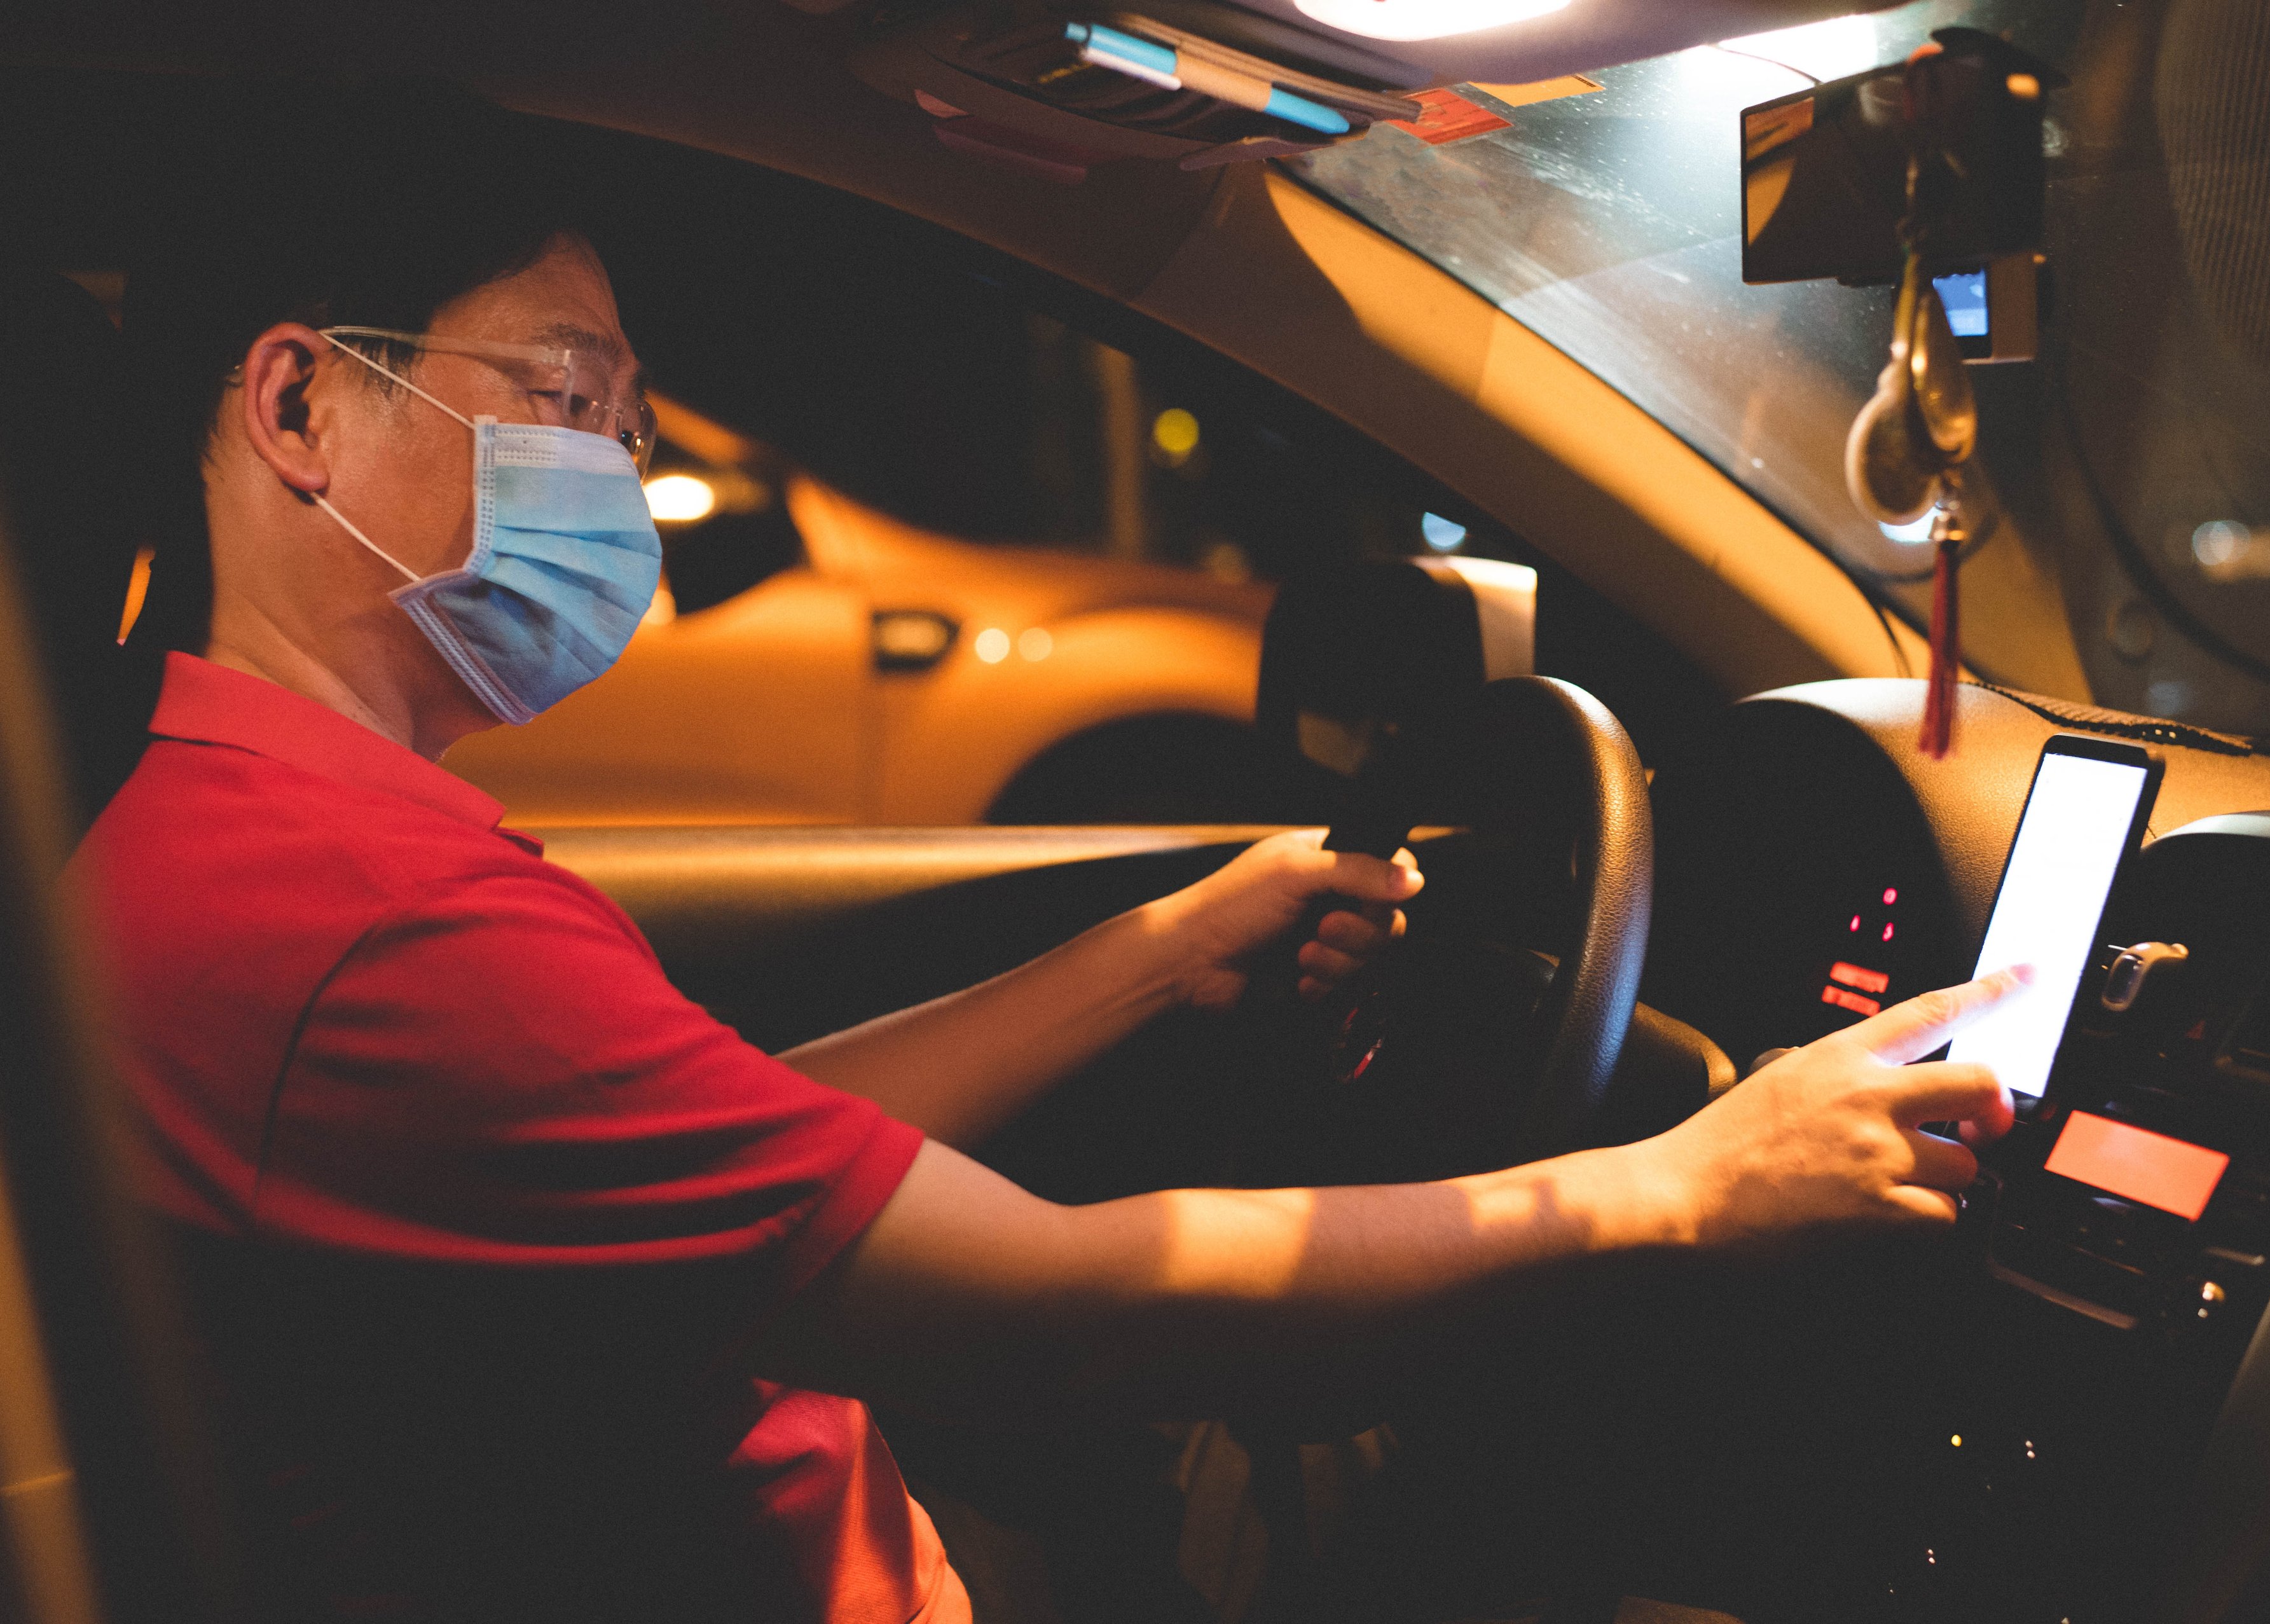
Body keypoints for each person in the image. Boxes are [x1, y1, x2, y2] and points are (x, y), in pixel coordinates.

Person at [72, 85, 2024, 1624]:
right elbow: (1074, 1298)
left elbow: (744, 1152)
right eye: (565, 396)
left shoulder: (228, 830)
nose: (616, 471)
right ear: (301, 403)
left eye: (626, 421)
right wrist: (1684, 1182)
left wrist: (1159, 951)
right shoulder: (379, 924)